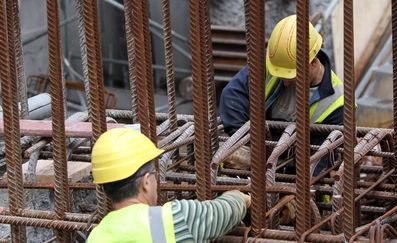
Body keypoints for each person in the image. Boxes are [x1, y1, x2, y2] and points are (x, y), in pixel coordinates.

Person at [219, 15, 344, 175]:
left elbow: (318, 163)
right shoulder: (275, 64)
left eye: (291, 76)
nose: (284, 81)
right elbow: (232, 96)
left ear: (313, 63)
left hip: (296, 173)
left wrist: (285, 185)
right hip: (260, 153)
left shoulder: (338, 102)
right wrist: (245, 145)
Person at [87, 128, 251, 243]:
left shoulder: (96, 236)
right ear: (145, 182)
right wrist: (240, 197)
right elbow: (223, 211)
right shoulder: (175, 218)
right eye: (154, 176)